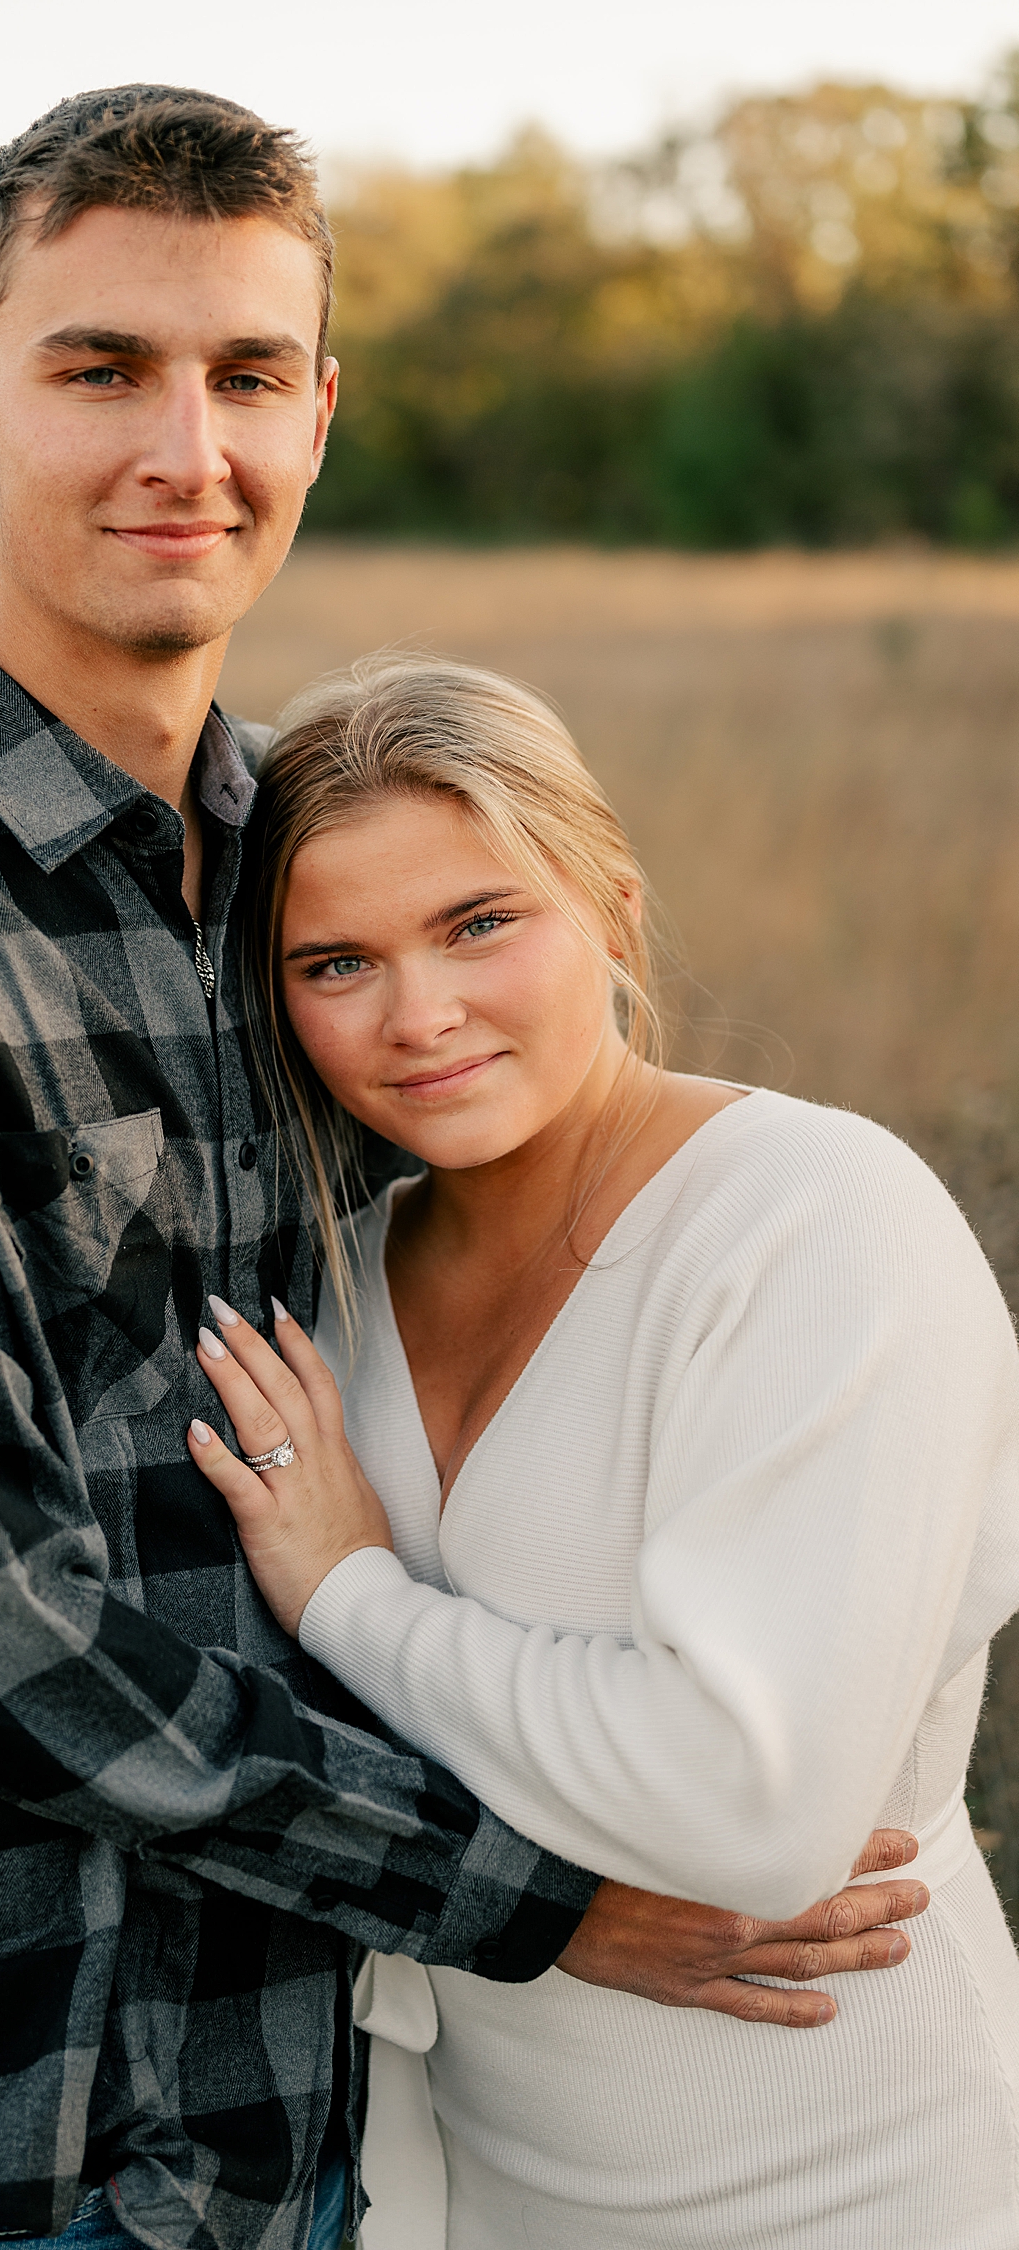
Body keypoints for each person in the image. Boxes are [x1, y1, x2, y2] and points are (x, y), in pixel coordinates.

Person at [0, 93, 929, 2250]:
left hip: (329, 2146)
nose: (186, 447)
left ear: (317, 413)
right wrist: (542, 1900)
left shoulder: (296, 883)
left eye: (247, 374)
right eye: (100, 367)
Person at [187, 653, 1019, 2248]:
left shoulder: (813, 1224)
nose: (419, 1015)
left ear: (614, 909)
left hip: (857, 2187)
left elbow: (743, 1804)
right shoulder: (335, 1293)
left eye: (481, 923)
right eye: (336, 959)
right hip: (479, 2190)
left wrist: (355, 1594)